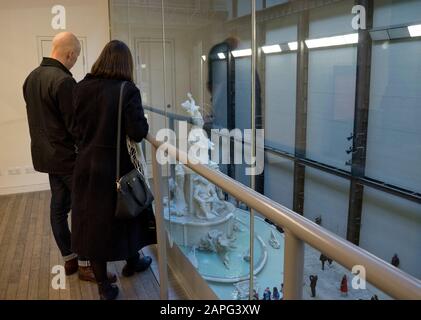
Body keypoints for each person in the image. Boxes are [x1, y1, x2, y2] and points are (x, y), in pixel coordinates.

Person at [22, 32, 115, 283]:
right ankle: (86, 265)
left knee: (59, 208)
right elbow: (76, 128)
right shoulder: (63, 81)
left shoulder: (31, 78)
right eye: (76, 57)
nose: (75, 62)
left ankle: (70, 259)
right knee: (84, 211)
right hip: (69, 160)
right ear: (70, 54)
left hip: (47, 158)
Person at [71, 40, 157, 300]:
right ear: (125, 64)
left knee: (93, 226)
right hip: (117, 168)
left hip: (86, 167)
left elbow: (74, 129)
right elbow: (138, 132)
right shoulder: (127, 90)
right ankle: (133, 262)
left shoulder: (81, 88)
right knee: (128, 214)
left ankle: (104, 288)